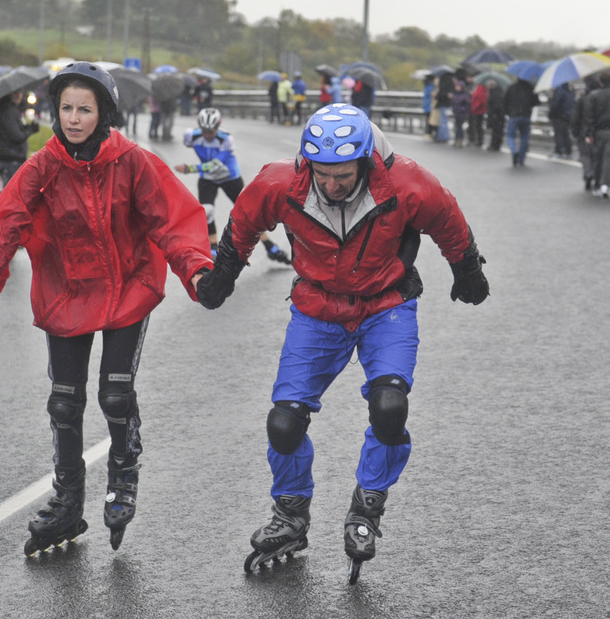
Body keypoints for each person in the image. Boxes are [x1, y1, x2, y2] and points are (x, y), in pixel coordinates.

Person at [194, 104, 490, 578]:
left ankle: (367, 505)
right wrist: (224, 271)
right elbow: (244, 220)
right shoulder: (281, 183)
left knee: (389, 407)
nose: (332, 185)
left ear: (366, 162)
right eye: (323, 174)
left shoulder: (406, 183)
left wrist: (468, 268)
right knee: (284, 423)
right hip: (317, 308)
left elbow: (447, 219)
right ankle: (291, 514)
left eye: (344, 175)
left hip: (386, 304)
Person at [0, 61, 213, 555]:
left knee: (115, 394)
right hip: (66, 291)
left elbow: (173, 220)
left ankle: (124, 472)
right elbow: (2, 226)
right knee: (64, 403)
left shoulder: (132, 161)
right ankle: (68, 500)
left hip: (126, 288)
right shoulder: (42, 167)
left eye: (84, 109)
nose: (73, 118)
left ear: (104, 113)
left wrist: (197, 269)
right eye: (66, 108)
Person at [174, 107, 290, 264]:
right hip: (208, 179)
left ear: (218, 127)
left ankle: (269, 246)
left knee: (249, 213)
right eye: (204, 131)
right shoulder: (191, 136)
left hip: (229, 177)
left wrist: (189, 168)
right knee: (206, 211)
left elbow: (215, 164)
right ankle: (214, 249)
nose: (207, 135)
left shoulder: (226, 139)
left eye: (211, 131)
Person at [582, 70, 610, 199]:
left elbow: (589, 117)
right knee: (609, 159)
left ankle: (597, 185)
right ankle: (605, 185)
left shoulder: (593, 96)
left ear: (600, 81)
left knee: (598, 159)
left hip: (598, 131)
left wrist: (589, 133)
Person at [0, 90, 40, 187]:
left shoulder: (14, 110)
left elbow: (18, 130)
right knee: (12, 194)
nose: (18, 95)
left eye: (20, 92)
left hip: (14, 159)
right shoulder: (8, 111)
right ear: (9, 94)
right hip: (11, 160)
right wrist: (30, 130)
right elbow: (16, 136)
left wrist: (29, 127)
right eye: (15, 92)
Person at [571, 75, 600, 190]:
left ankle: (588, 173)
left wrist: (575, 131)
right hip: (598, 130)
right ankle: (595, 175)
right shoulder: (600, 97)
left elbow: (575, 117)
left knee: (585, 154)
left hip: (584, 131)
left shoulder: (582, 98)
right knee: (596, 155)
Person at [503, 77, 539, 166]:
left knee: (510, 136)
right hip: (526, 116)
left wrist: (508, 112)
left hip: (514, 115)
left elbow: (505, 101)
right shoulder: (530, 88)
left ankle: (514, 151)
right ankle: (521, 158)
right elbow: (536, 102)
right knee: (524, 137)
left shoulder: (511, 87)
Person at [548, 82, 575, 159]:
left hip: (559, 115)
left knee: (559, 134)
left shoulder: (559, 90)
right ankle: (568, 151)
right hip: (568, 115)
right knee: (566, 133)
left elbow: (555, 105)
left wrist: (551, 113)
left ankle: (559, 151)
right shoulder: (570, 90)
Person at [485, 79, 505, 151]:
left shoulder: (495, 93)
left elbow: (495, 105)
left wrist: (494, 114)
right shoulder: (498, 91)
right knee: (497, 131)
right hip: (498, 115)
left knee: (496, 131)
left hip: (496, 115)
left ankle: (494, 145)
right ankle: (496, 145)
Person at [450, 77, 471, 147]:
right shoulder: (455, 94)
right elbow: (454, 103)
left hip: (462, 114)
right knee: (456, 127)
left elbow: (468, 104)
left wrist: (462, 109)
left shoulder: (464, 95)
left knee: (459, 127)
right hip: (456, 113)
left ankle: (460, 140)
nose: (457, 88)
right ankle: (456, 139)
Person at [469, 79, 487, 148]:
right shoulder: (478, 88)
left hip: (478, 110)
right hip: (477, 110)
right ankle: (478, 140)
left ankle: (480, 141)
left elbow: (480, 100)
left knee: (478, 126)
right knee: (477, 126)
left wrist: (474, 107)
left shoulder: (480, 88)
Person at [422, 74, 435, 138]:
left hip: (427, 105)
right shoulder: (431, 86)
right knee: (430, 120)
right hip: (430, 106)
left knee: (428, 119)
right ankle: (429, 133)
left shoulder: (427, 86)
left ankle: (428, 132)